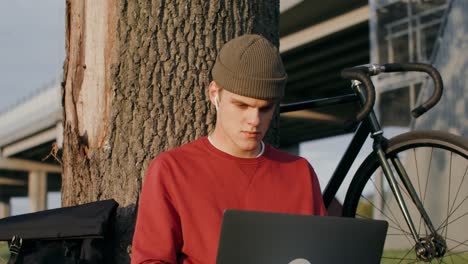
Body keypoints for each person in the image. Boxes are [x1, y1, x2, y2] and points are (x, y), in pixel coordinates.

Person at [131, 34, 327, 264]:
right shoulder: (171, 170)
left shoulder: (299, 172)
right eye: (242, 105)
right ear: (214, 94)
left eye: (265, 108)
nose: (254, 120)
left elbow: (318, 255)